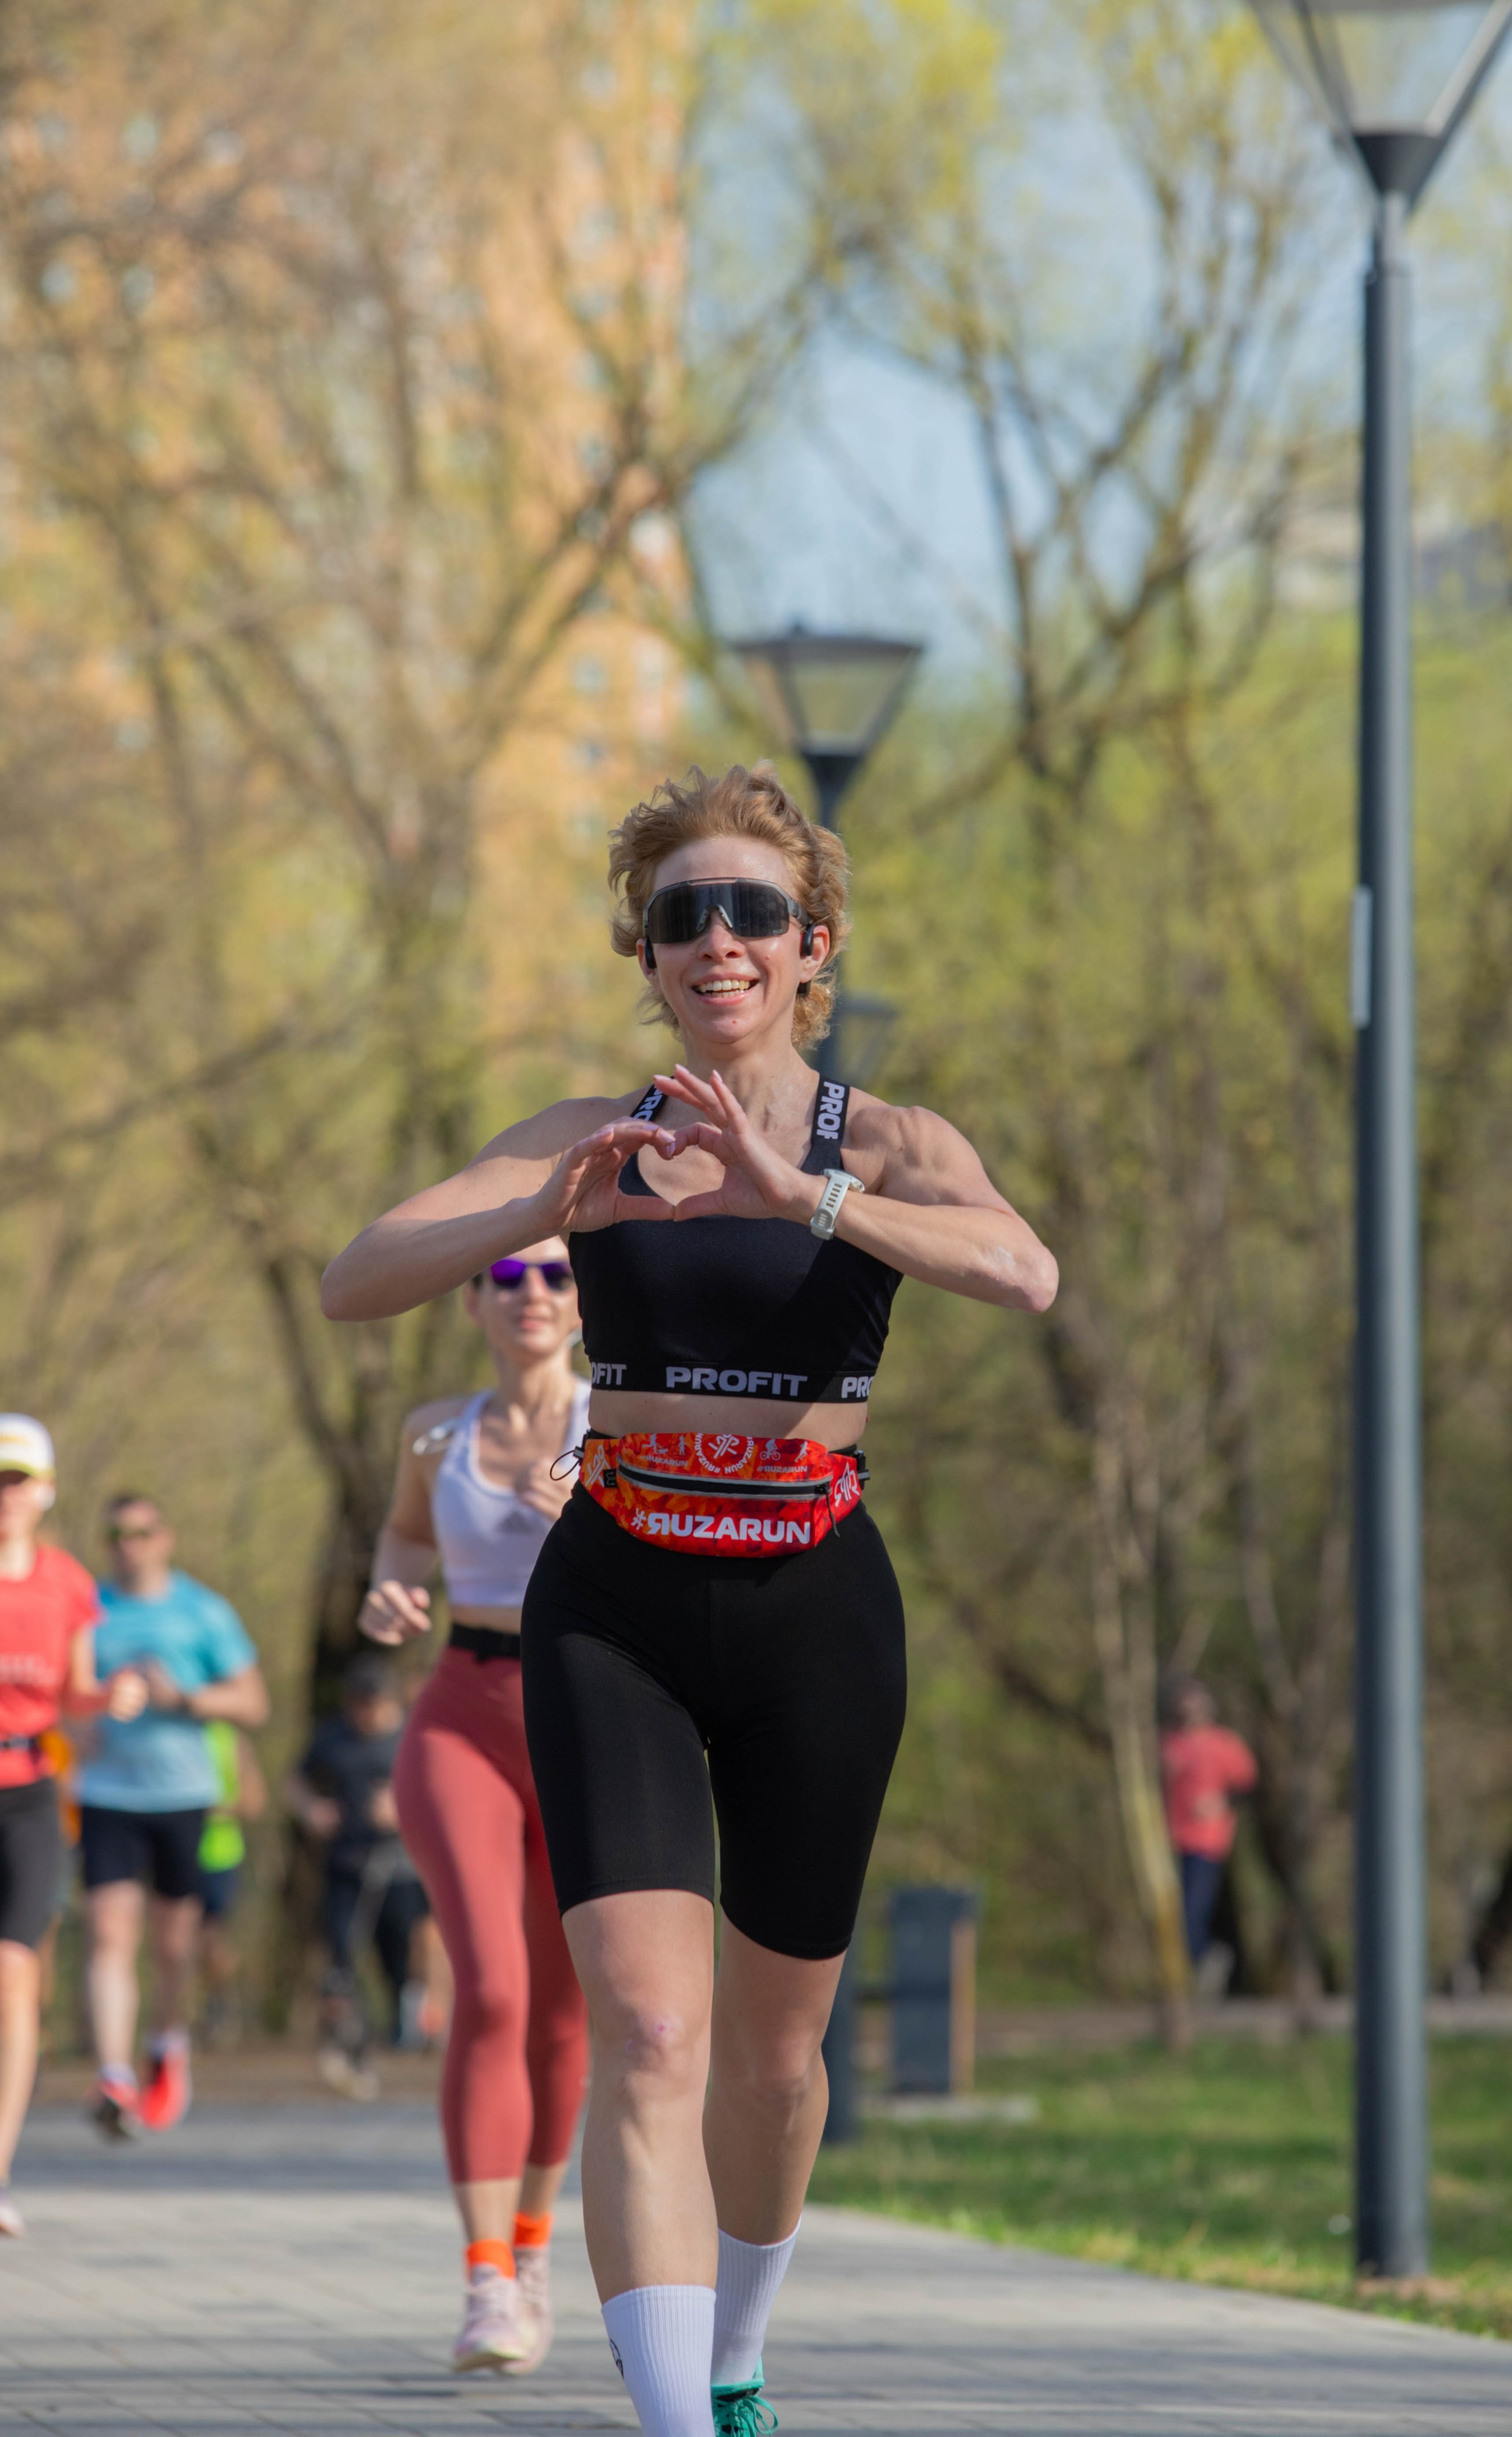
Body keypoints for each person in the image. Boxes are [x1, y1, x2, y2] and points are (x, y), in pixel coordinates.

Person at [321, 761, 1059, 2437]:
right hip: (621, 1600)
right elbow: (351, 1277)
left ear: (813, 945)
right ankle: (670, 2424)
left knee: (772, 2062)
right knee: (651, 2027)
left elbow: (1024, 1271)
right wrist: (543, 1208)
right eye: (678, 915)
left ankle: (734, 2347)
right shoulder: (587, 1135)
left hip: (813, 1606)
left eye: (751, 913)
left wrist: (797, 1193)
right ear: (643, 954)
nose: (714, 938)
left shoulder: (883, 1139)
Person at [352, 1244, 593, 2377]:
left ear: (584, 1299)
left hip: (594, 1716)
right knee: (490, 1991)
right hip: (464, 1709)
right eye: (507, 1275)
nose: (531, 1292)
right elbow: (405, 1535)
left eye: (554, 1273)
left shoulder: (623, 1421)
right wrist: (391, 1582)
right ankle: (487, 2280)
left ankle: (537, 2248)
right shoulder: (433, 1432)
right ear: (473, 1301)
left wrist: (605, 1501)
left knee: (564, 2012)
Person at [79, 1493, 268, 2138]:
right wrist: (92, 1709)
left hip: (184, 1796)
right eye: (118, 1533)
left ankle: (166, 2044)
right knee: (108, 1933)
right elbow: (61, 1698)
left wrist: (181, 1697)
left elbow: (253, 1703)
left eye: (142, 1531)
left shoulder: (203, 1612)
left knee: (172, 1944)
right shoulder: (88, 1608)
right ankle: (113, 2074)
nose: (129, 1543)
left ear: (166, 1537)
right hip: (105, 1793)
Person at [0, 1416, 145, 2236]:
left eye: (17, 1480)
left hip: (27, 1790)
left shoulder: (67, 1583)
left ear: (46, 1492)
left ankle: (0, 2168)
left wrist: (108, 1698)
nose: (5, 1496)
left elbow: (75, 1690)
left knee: (14, 1971)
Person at [283, 1654, 428, 2095]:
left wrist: (404, 1810)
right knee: (342, 1958)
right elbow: (296, 1780)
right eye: (359, 1704)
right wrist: (312, 1810)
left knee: (396, 1960)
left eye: (374, 1704)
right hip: (346, 1865)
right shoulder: (333, 1737)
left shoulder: (415, 1737)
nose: (366, 1714)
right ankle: (351, 2049)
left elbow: (446, 1797)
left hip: (401, 1871)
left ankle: (407, 2022)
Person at [1160, 1677, 1259, 1968]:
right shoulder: (1169, 1744)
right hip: (1170, 1838)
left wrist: (1220, 1803)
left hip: (1206, 1839)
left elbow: (1248, 1788)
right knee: (1170, 1911)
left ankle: (1204, 1962)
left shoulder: (1223, 1744)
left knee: (1193, 1910)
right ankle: (1193, 1967)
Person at [196, 1720, 266, 2045]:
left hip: (218, 1856)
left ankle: (217, 2005)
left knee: (212, 1939)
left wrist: (206, 1809)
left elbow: (254, 1802)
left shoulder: (229, 1738)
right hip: (168, 1852)